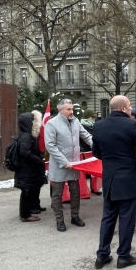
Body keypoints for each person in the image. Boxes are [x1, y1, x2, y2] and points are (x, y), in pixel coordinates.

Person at [92, 96, 136, 270]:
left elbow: (96, 152)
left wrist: (111, 159)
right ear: (122, 108)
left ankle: (102, 255)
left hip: (109, 177)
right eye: (129, 106)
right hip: (127, 178)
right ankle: (124, 256)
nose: (130, 108)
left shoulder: (98, 125)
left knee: (108, 217)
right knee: (126, 218)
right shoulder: (132, 124)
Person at [45, 99, 93, 232]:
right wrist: (63, 161)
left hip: (74, 164)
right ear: (60, 110)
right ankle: (59, 220)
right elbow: (50, 145)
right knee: (57, 194)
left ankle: (75, 216)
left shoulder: (76, 121)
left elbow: (86, 136)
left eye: (72, 109)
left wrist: (97, 146)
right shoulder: (52, 124)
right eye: (68, 109)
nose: (71, 111)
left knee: (75, 192)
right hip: (60, 164)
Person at [14, 111, 47, 223]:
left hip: (31, 169)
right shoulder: (26, 136)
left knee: (33, 188)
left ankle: (34, 206)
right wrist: (38, 160)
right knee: (26, 191)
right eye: (35, 121)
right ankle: (25, 215)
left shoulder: (29, 135)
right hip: (27, 169)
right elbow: (25, 152)